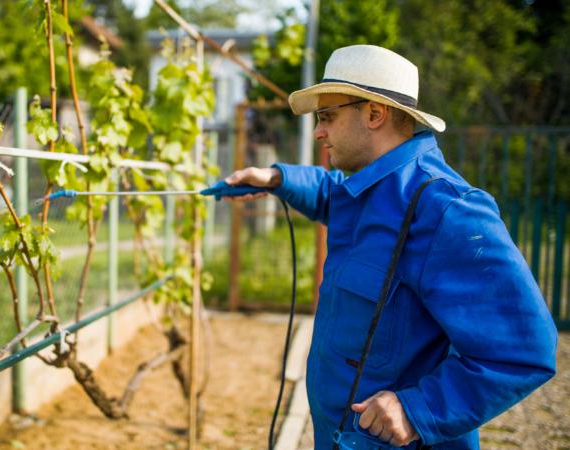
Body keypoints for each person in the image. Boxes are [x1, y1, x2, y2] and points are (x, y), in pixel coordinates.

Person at [225, 45, 557, 449]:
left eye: (327, 117)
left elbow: (525, 348)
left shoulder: (446, 210)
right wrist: (278, 179)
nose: (318, 132)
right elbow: (332, 193)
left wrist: (420, 409)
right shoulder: (367, 188)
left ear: (374, 114)